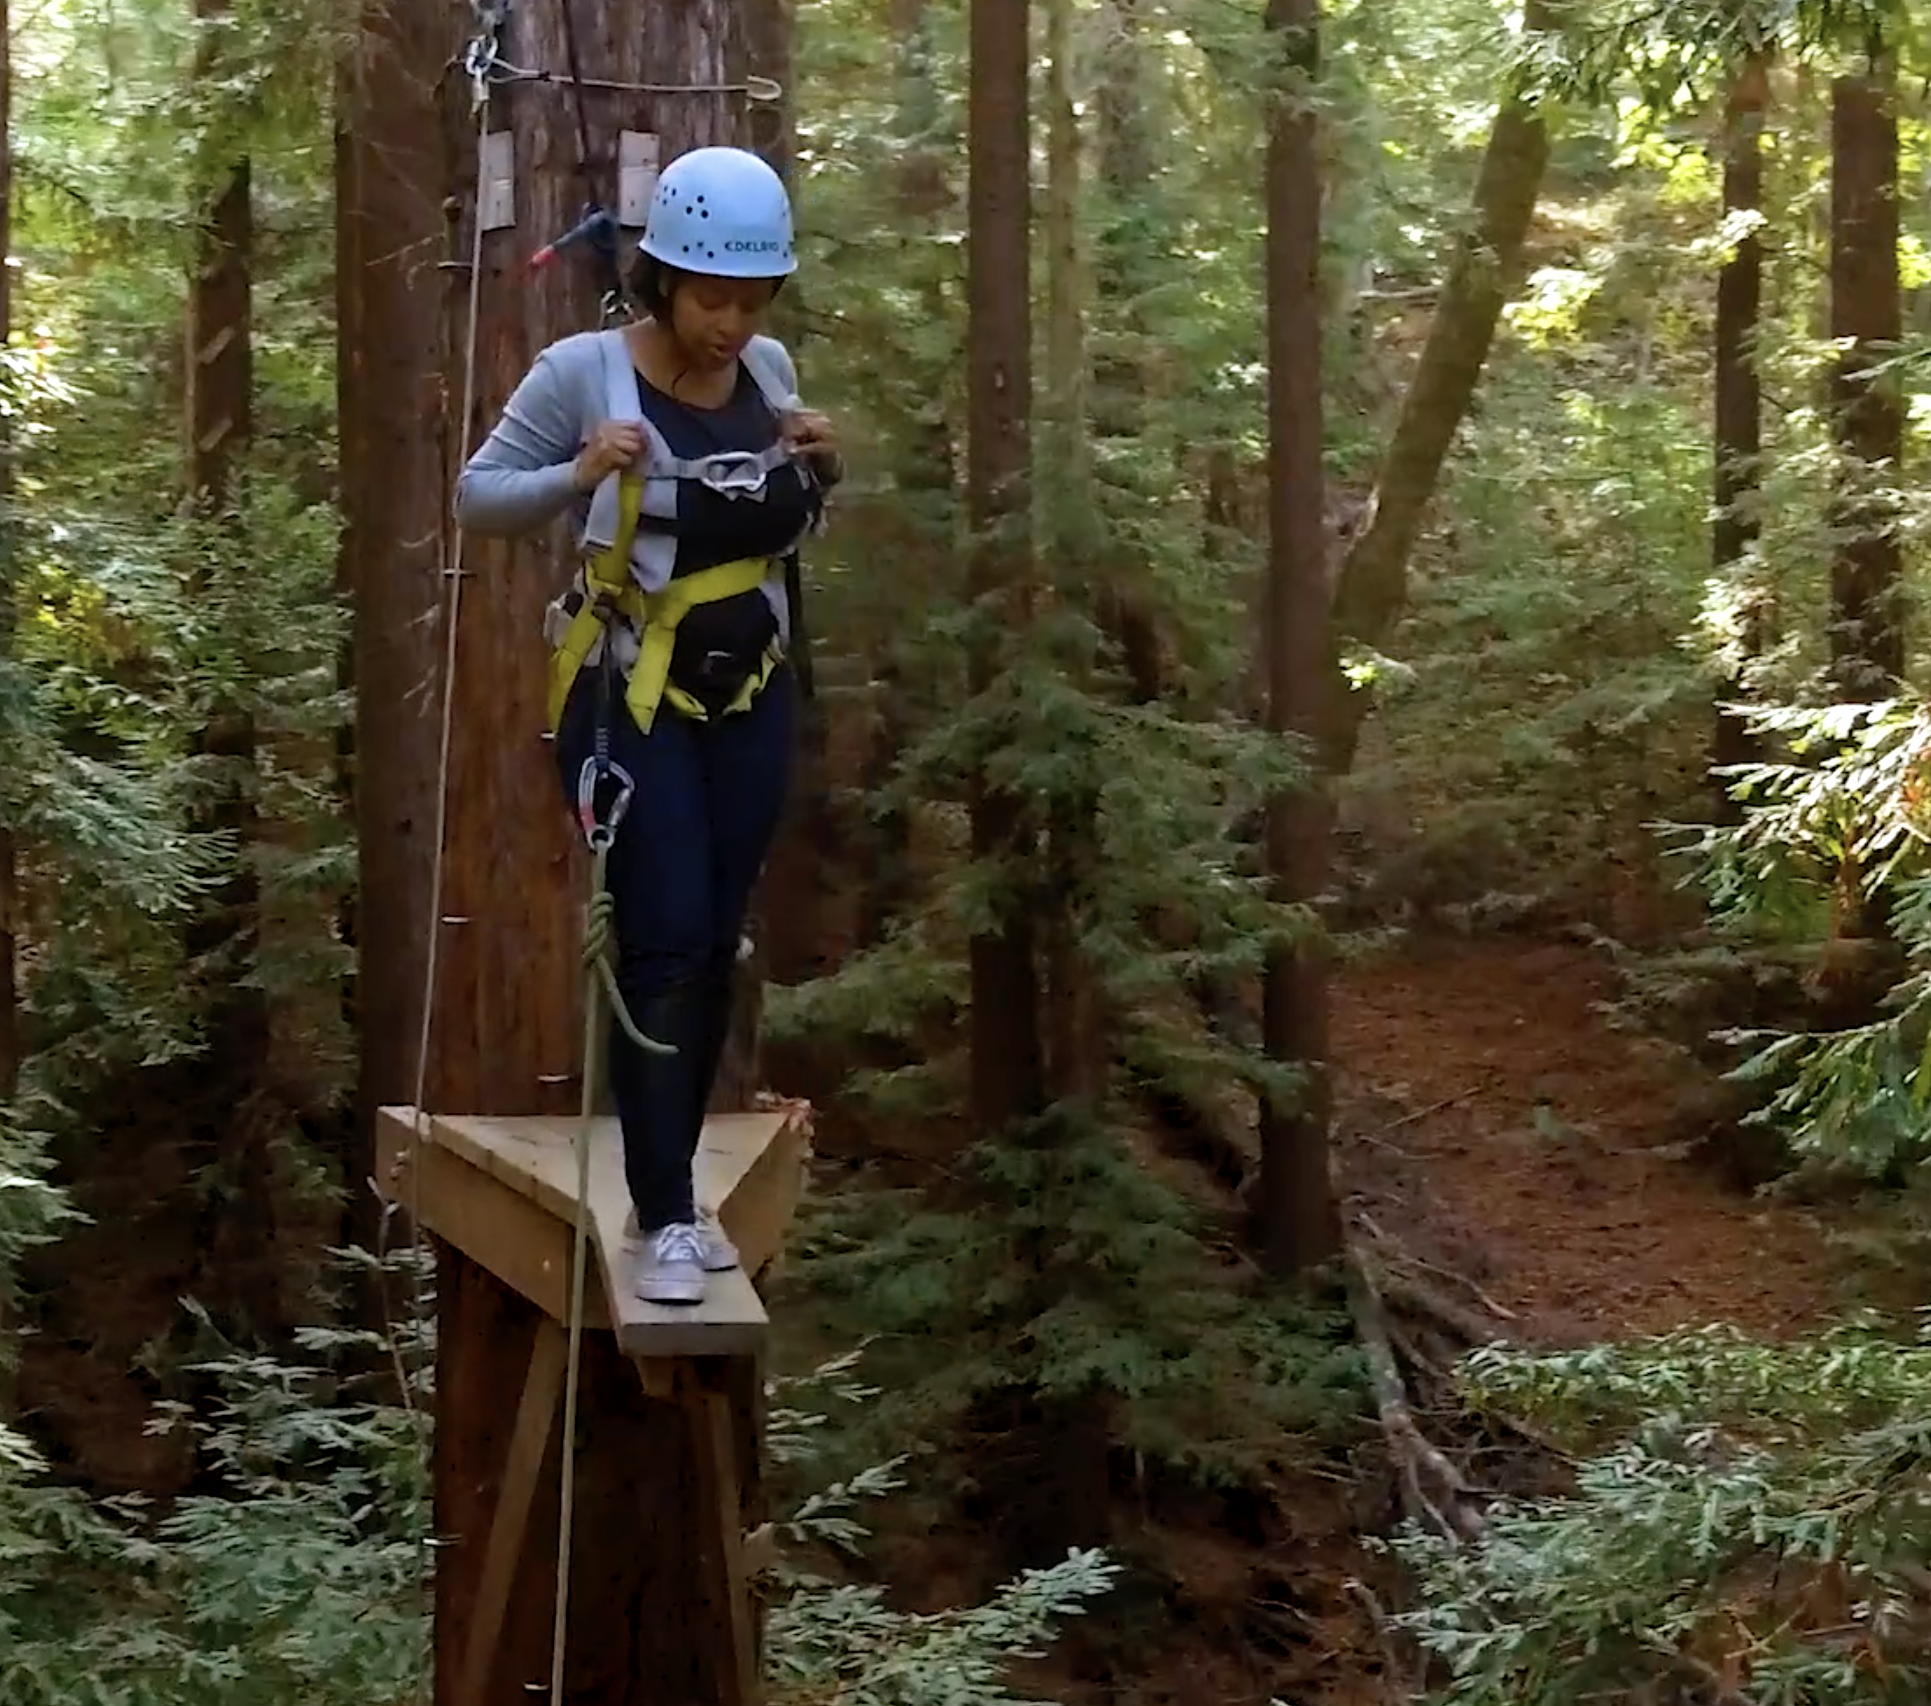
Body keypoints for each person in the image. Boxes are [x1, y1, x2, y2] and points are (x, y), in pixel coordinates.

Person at [454, 146, 841, 1305]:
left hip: (749, 695)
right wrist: (577, 472)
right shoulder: (584, 373)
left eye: (750, 298)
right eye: (712, 297)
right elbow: (478, 497)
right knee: (664, 935)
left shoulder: (767, 370)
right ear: (662, 277)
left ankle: (672, 1190)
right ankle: (665, 1212)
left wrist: (825, 469)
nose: (731, 323)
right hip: (627, 695)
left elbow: (776, 530)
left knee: (714, 931)